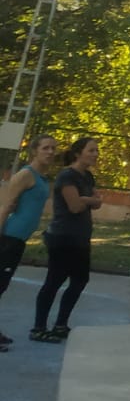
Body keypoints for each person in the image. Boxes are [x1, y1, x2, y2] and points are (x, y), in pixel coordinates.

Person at [30, 136, 100, 342]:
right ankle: (38, 328)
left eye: (96, 151)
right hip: (62, 237)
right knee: (54, 281)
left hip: (81, 237)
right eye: (91, 150)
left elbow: (97, 202)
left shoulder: (87, 176)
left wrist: (87, 199)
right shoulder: (67, 176)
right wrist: (88, 200)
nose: (95, 154)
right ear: (78, 153)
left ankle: (61, 324)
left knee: (80, 280)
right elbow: (75, 206)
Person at [0, 134, 57, 346]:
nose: (50, 152)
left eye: (53, 148)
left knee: (3, 285)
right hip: (9, 237)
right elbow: (6, 205)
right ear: (34, 151)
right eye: (45, 148)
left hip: (19, 239)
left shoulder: (42, 178)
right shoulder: (25, 175)